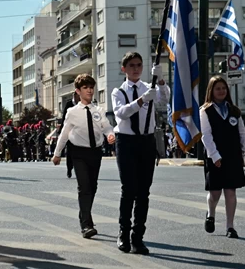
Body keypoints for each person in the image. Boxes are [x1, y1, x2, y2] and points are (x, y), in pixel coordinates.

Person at [111, 52, 170, 254]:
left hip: (146, 141)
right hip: (126, 141)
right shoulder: (118, 91)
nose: (136, 69)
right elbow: (121, 113)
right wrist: (141, 101)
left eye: (139, 65)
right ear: (124, 69)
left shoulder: (149, 87)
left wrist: (161, 81)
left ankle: (138, 237)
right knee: (129, 189)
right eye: (131, 65)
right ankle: (123, 233)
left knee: (144, 191)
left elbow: (164, 100)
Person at [53, 74, 115, 238]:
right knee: (84, 186)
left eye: (91, 87)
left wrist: (110, 135)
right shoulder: (72, 112)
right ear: (78, 91)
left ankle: (85, 215)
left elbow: (106, 126)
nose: (89, 90)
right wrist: (57, 154)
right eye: (85, 88)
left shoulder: (98, 110)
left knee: (92, 187)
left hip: (95, 152)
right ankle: (86, 224)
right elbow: (64, 134)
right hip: (78, 153)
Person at [199, 76, 245, 239]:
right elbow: (206, 136)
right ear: (211, 91)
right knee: (215, 193)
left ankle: (230, 226)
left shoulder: (234, 110)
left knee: (230, 191)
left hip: (233, 156)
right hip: (215, 157)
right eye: (217, 88)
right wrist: (214, 155)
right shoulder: (205, 111)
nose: (221, 91)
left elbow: (242, 133)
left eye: (223, 88)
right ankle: (211, 214)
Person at [60, 92, 79, 178]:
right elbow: (64, 118)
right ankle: (69, 168)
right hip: (70, 132)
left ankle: (78, 169)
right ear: (74, 96)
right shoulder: (69, 104)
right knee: (70, 151)